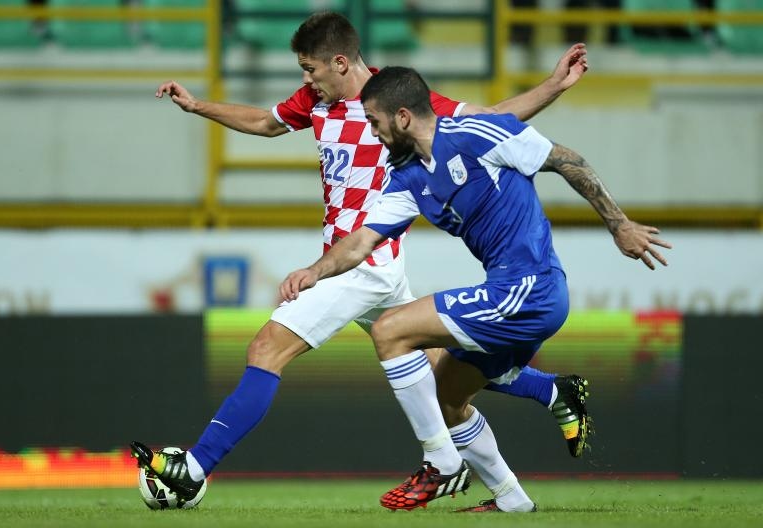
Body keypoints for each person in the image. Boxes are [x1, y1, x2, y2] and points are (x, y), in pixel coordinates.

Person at [130, 12, 591, 503]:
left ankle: (194, 468)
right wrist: (198, 106)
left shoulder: (401, 102)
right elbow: (265, 122)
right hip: (360, 262)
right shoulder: (316, 101)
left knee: (267, 348)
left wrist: (553, 86)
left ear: (341, 62)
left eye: (310, 69)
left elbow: (493, 115)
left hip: (366, 261)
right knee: (441, 376)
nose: (305, 80)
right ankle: (529, 444)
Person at [278, 66, 672, 512]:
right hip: (510, 293)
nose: (370, 131)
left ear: (402, 117)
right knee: (446, 398)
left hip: (531, 287)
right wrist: (314, 271)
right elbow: (362, 242)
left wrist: (619, 226)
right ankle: (512, 500)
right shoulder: (407, 176)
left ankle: (441, 464)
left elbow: (567, 160)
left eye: (373, 121)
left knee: (390, 330)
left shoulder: (477, 134)